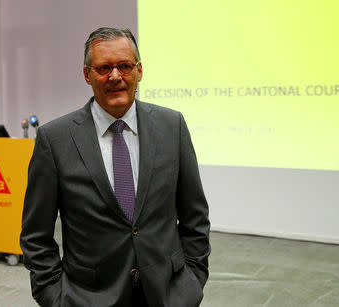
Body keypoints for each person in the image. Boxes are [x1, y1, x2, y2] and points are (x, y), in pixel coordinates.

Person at [20, 27, 211, 307]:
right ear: (87, 74)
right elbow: (36, 235)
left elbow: (195, 217)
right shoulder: (55, 140)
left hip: (167, 295)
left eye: (124, 66)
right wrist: (56, 297)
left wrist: (191, 283)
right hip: (87, 299)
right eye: (104, 68)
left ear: (139, 71)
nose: (115, 76)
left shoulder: (173, 127)